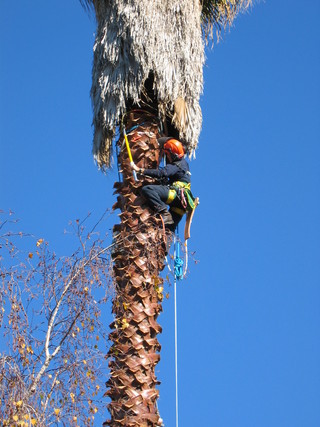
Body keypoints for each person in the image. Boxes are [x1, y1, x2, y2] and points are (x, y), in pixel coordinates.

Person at [131, 137, 193, 231]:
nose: (167, 157)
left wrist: (140, 170)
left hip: (176, 195)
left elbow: (162, 173)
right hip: (181, 205)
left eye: (167, 154)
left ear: (172, 153)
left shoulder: (177, 164)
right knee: (168, 229)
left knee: (147, 190)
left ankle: (164, 212)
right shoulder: (184, 164)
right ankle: (163, 243)